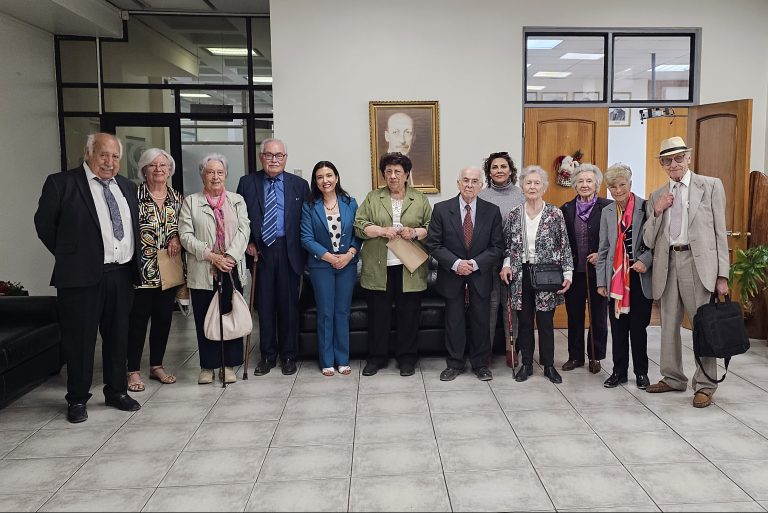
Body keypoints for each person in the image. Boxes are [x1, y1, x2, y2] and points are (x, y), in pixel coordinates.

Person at [34, 132, 141, 423]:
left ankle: (117, 391)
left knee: (119, 337)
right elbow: (44, 225)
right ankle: (78, 399)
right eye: (103, 155)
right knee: (79, 341)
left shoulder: (128, 187)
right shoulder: (62, 183)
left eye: (115, 156)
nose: (109, 162)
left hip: (121, 274)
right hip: (79, 278)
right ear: (87, 153)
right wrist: (71, 255)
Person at [643, 136, 730, 408]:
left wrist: (722, 275)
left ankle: (705, 384)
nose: (674, 164)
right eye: (667, 160)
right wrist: (657, 212)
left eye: (679, 158)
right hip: (668, 263)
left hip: (697, 264)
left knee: (702, 326)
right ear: (662, 164)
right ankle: (672, 378)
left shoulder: (711, 186)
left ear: (688, 158)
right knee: (668, 325)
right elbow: (647, 239)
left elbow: (720, 233)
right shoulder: (657, 195)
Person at [354, 152, 432, 377]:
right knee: (379, 316)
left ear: (407, 175)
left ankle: (407, 359)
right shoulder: (372, 197)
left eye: (398, 171)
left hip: (410, 267)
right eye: (388, 171)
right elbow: (359, 226)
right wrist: (382, 230)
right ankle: (376, 358)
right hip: (379, 267)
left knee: (409, 316)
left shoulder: (420, 199)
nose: (393, 175)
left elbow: (431, 227)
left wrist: (415, 232)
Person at [237, 138, 309, 376]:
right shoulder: (247, 183)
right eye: (269, 155)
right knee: (264, 306)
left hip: (289, 250)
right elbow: (239, 218)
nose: (274, 160)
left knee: (288, 306)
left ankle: (289, 355)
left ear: (286, 158)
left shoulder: (299, 184)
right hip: (260, 252)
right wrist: (247, 242)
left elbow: (306, 220)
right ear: (261, 157)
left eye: (279, 155)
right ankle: (267, 355)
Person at [426, 167, 504, 381]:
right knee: (454, 321)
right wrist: (456, 263)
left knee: (481, 320)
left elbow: (497, 247)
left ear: (481, 185)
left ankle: (481, 365)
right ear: (458, 183)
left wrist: (476, 263)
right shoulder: (441, 209)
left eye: (474, 181)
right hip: (452, 275)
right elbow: (433, 243)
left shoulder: (492, 211)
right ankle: (454, 364)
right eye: (465, 180)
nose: (469, 185)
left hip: (481, 275)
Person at [179, 154, 250, 385]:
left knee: (231, 314)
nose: (216, 176)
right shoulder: (191, 202)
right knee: (205, 318)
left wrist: (229, 256)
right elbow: (185, 236)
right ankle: (208, 366)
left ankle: (229, 365)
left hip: (230, 268)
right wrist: (210, 255)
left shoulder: (237, 200)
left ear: (226, 175)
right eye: (210, 172)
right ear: (203, 174)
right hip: (203, 270)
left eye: (220, 172)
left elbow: (243, 230)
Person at [501, 165, 573, 384]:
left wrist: (567, 274)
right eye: (528, 182)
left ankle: (549, 366)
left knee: (545, 322)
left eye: (537, 183)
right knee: (524, 322)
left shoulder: (555, 213)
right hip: (520, 273)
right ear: (522, 186)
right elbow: (507, 245)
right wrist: (506, 265)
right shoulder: (514, 214)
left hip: (546, 274)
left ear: (544, 187)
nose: (532, 186)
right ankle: (527, 365)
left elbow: (564, 245)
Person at [126, 148, 184, 392]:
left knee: (163, 318)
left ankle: (156, 365)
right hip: (140, 269)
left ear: (170, 170)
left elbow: (186, 225)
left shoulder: (176, 198)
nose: (159, 169)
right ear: (144, 170)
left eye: (163, 165)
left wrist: (178, 238)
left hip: (167, 268)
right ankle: (133, 371)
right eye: (153, 165)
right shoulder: (132, 195)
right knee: (137, 320)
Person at [300, 161, 361, 376]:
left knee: (342, 312)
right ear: (315, 181)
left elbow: (358, 234)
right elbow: (306, 238)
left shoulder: (350, 203)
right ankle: (327, 361)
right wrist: (329, 258)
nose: (325, 180)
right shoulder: (309, 206)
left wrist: (349, 255)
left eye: (329, 175)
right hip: (321, 266)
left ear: (336, 177)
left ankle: (343, 359)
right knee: (326, 313)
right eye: (319, 177)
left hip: (347, 264)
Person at [596, 163, 653, 389]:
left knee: (638, 329)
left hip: (639, 279)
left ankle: (641, 372)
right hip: (616, 280)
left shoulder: (646, 207)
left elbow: (656, 244)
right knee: (618, 329)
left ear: (630, 183)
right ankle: (619, 372)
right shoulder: (607, 212)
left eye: (622, 184)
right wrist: (602, 281)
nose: (618, 190)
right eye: (613, 186)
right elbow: (603, 249)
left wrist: (644, 261)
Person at [560, 164, 611, 373]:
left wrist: (601, 254)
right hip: (574, 272)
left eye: (589, 181)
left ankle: (596, 357)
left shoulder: (607, 207)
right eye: (580, 181)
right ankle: (575, 357)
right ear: (574, 185)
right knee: (575, 315)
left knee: (598, 316)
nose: (584, 185)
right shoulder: (565, 209)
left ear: (597, 184)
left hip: (598, 272)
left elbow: (614, 239)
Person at [478, 151, 525, 365]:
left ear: (510, 170)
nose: (499, 170)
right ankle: (484, 351)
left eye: (503, 166)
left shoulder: (521, 194)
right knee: (490, 304)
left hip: (514, 259)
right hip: (489, 258)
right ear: (489, 171)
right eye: (494, 167)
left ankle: (511, 349)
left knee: (511, 305)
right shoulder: (481, 195)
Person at [383, 112, 430, 187]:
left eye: (407, 132)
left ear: (414, 137)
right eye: (396, 132)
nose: (402, 140)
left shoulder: (424, 172)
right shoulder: (379, 169)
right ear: (387, 136)